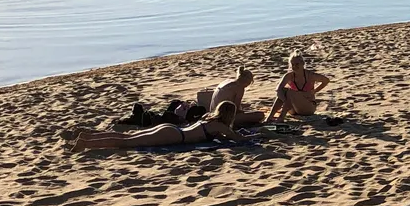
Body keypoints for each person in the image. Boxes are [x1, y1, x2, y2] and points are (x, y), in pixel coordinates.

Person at [71, 102, 251, 153]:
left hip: (172, 128)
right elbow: (237, 140)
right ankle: (86, 143)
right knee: (127, 142)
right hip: (174, 137)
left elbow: (227, 137)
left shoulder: (208, 118)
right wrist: (249, 137)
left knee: (128, 137)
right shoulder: (220, 125)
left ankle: (88, 137)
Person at [268, 52, 331, 118]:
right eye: (293, 64)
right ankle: (269, 117)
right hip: (293, 108)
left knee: (289, 91)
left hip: (308, 107)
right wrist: (285, 101)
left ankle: (281, 117)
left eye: (297, 64)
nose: (295, 66)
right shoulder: (289, 76)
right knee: (283, 91)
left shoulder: (310, 75)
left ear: (303, 64)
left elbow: (326, 80)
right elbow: (278, 89)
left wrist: (314, 91)